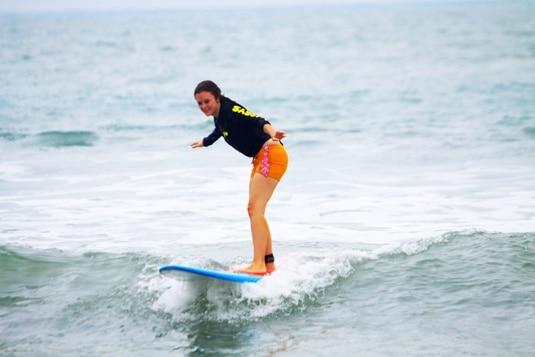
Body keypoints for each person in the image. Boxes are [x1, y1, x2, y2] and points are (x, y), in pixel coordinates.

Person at [191, 80, 288, 275]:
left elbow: (259, 121)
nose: (203, 106)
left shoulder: (231, 109)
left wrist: (273, 133)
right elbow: (220, 131)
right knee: (255, 210)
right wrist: (205, 142)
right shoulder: (220, 116)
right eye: (199, 103)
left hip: (270, 153)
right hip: (261, 158)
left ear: (217, 98)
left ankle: (258, 264)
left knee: (255, 208)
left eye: (207, 101)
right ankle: (268, 264)